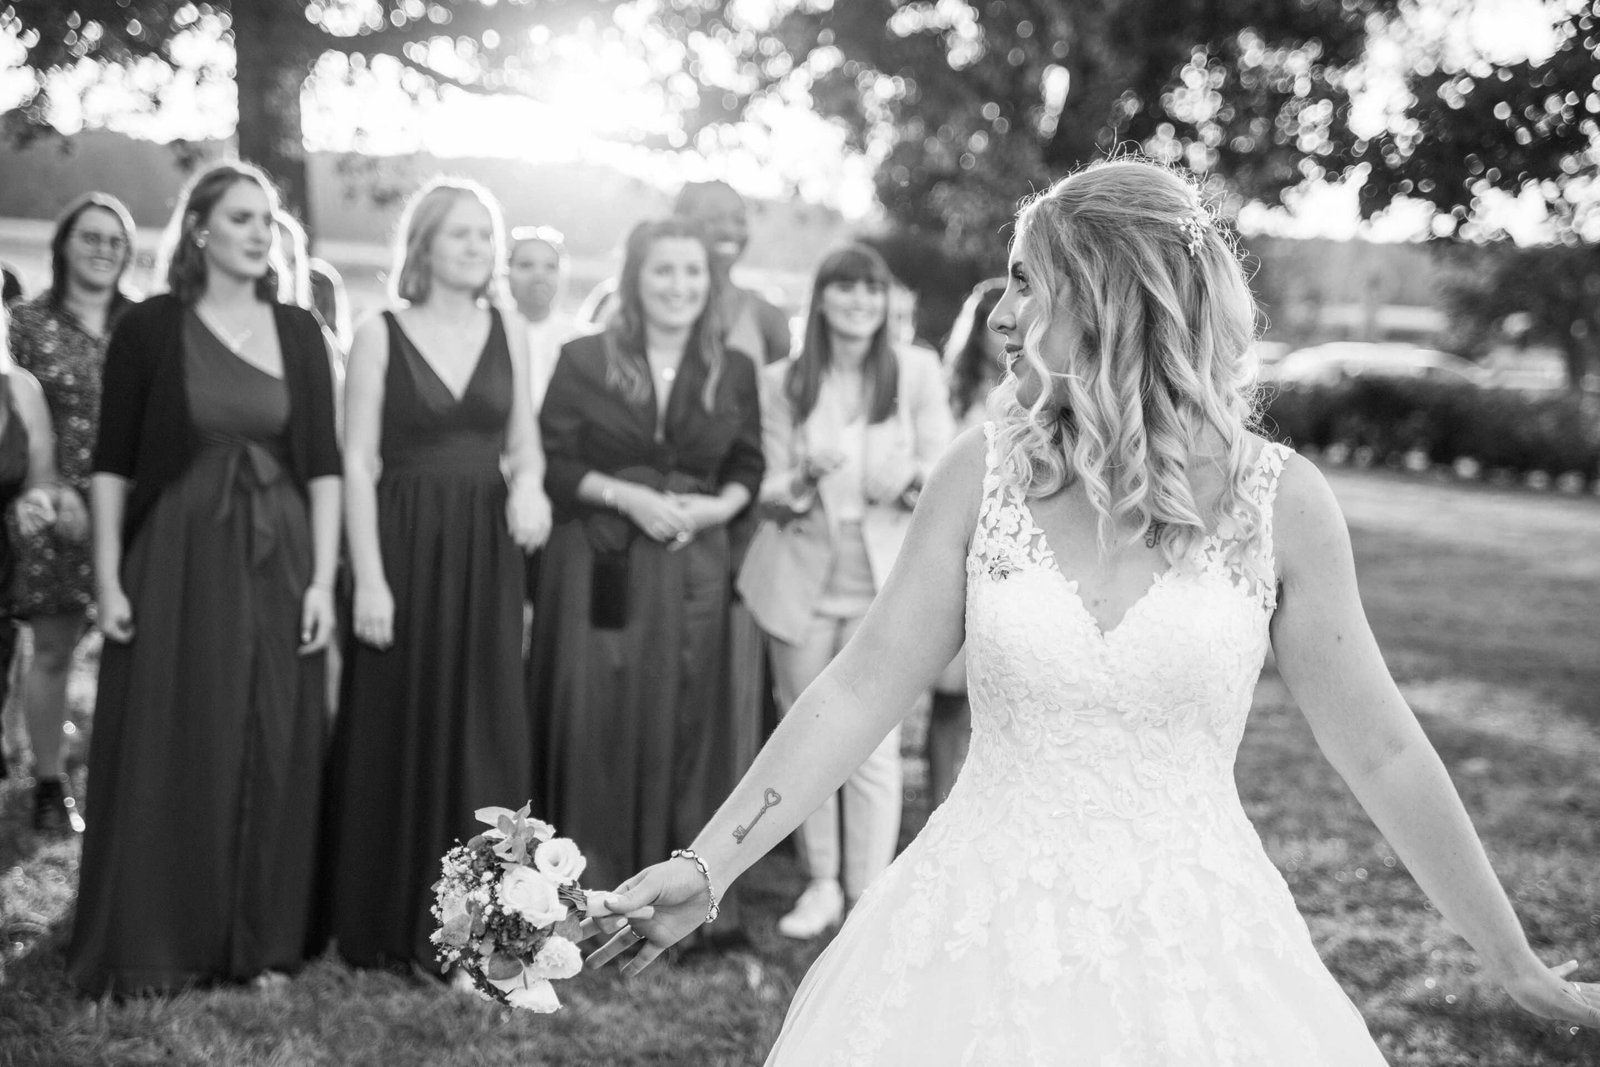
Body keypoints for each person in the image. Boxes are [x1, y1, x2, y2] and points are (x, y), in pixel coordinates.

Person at [585, 158, 1600, 1060]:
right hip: (965, 932)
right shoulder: (975, 475)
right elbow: (856, 689)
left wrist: (1511, 959)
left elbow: (1380, 747)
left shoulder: (1282, 503)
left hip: (1195, 942)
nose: (1006, 312)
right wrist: (707, 862)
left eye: (1029, 280)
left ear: (1106, 294)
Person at [67, 161, 342, 994]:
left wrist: (323, 580)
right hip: (176, 558)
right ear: (200, 230)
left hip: (281, 557)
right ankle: (158, 934)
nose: (262, 232)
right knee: (174, 731)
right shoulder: (151, 327)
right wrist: (109, 578)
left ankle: (256, 939)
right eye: (242, 217)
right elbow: (111, 464)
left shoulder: (299, 330)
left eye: (268, 219)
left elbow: (324, 467)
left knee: (270, 737)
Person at [320, 178, 550, 975]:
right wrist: (370, 579)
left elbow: (524, 444)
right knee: (398, 716)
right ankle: (385, 918)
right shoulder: (380, 331)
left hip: (486, 549)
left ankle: (481, 932)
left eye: (485, 236)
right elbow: (358, 461)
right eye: (458, 234)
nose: (475, 248)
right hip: (402, 539)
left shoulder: (509, 328)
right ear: (422, 245)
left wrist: (528, 487)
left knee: (485, 719)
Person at [529, 216, 763, 906]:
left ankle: (679, 884)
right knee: (596, 708)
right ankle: (585, 878)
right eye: (663, 270)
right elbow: (555, 462)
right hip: (599, 559)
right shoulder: (583, 358)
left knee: (685, 712)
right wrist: (627, 495)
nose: (679, 285)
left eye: (692, 272)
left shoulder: (734, 367)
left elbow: (749, 463)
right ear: (635, 277)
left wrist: (712, 511)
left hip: (693, 562)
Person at [737, 243, 954, 939]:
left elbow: (946, 462)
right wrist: (800, 478)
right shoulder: (784, 380)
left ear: (886, 300)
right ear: (822, 298)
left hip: (885, 581)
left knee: (875, 743)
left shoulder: (916, 370)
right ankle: (822, 882)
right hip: (799, 580)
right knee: (806, 739)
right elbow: (767, 490)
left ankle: (869, 891)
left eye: (872, 289)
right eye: (845, 289)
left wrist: (911, 478)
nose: (860, 302)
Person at [5, 193, 138, 833]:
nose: (103, 249)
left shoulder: (147, 323)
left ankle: (128, 776)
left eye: (115, 240)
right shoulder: (27, 324)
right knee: (54, 647)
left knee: (131, 645)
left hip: (137, 509)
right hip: (54, 504)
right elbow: (19, 418)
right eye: (90, 236)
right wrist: (55, 494)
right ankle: (49, 782)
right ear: (63, 245)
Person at [926, 277, 1006, 807]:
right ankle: (937, 801)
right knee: (950, 700)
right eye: (989, 324)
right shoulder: (950, 392)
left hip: (1009, 551)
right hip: (961, 549)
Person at [506, 225, 579, 414]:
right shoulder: (489, 333)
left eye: (550, 266)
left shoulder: (579, 340)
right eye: (526, 265)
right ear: (507, 272)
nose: (539, 275)